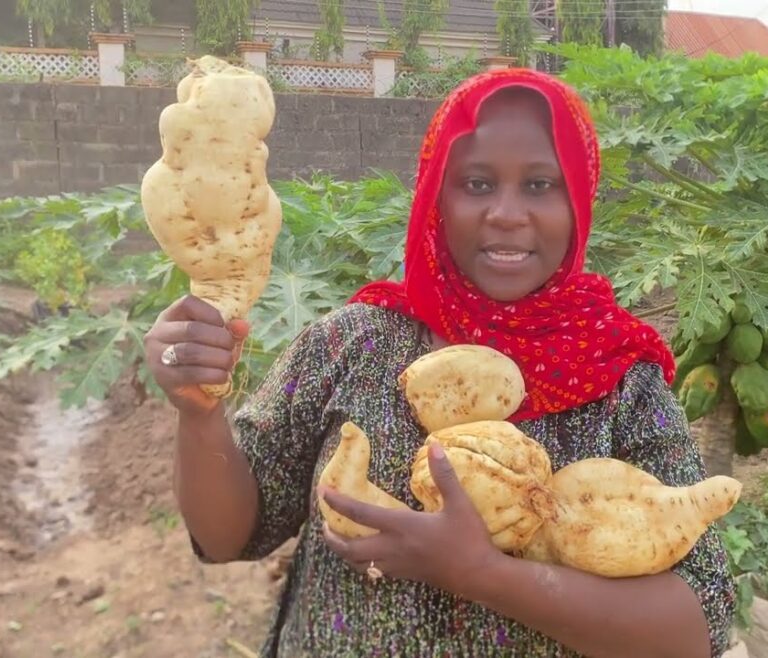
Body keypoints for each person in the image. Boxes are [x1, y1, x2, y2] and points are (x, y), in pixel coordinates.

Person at [143, 68, 737, 658]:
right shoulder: (352, 345)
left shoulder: (620, 382)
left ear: (579, 200)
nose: (507, 213)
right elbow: (227, 537)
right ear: (436, 196)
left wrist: (482, 574)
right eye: (477, 184)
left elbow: (696, 627)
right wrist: (198, 415)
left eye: (540, 185)